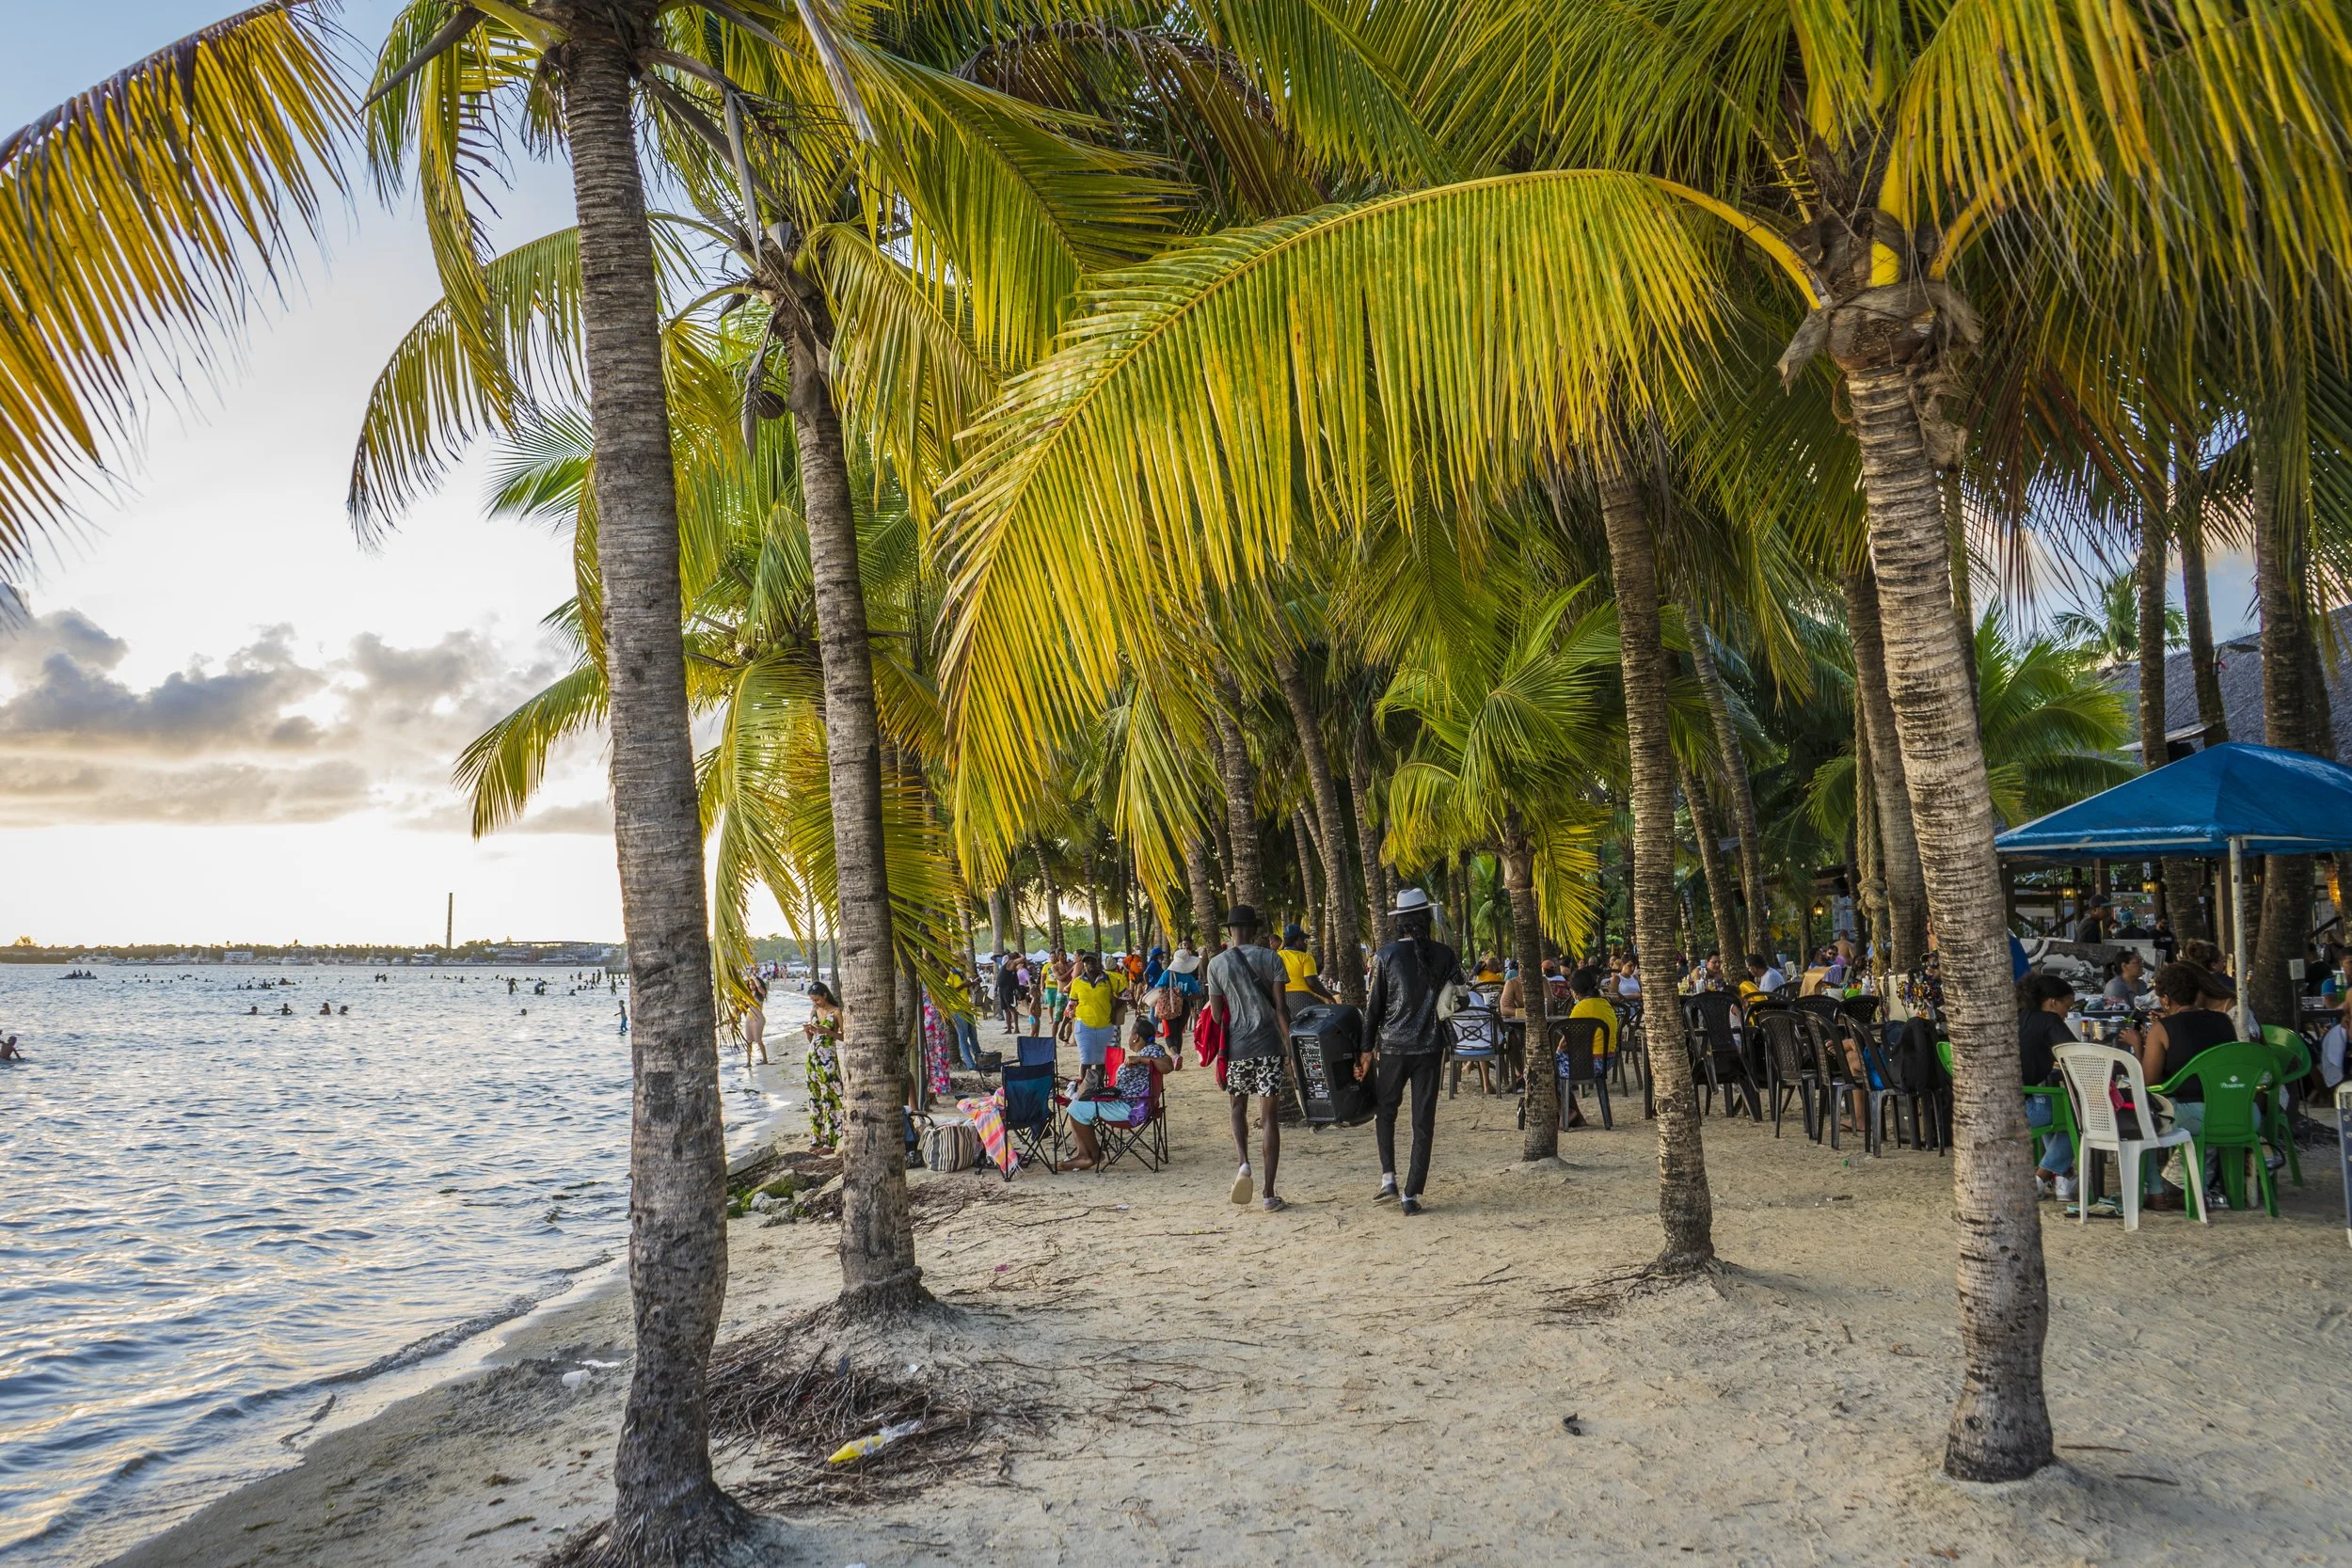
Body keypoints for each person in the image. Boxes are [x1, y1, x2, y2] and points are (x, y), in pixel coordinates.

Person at [1359, 888, 1463, 1213]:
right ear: (1426, 919)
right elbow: (1462, 997)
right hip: (1430, 1049)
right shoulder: (1445, 954)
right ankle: (1410, 1194)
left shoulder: (1385, 956)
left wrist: (1365, 1049)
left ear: (1400, 922)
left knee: (1385, 1112)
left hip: (1391, 1047)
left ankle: (1388, 1176)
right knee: (1423, 1122)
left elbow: (1374, 1008)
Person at [1205, 905, 1293, 1212]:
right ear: (1254, 930)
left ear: (1230, 931)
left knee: (1237, 1107)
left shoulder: (1216, 965)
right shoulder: (1272, 958)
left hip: (1238, 1050)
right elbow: (1281, 1010)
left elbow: (1216, 1015)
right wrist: (1291, 1050)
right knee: (1269, 1118)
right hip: (1269, 1047)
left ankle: (1244, 1163)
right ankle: (1269, 1194)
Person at [2016, 972, 2079, 1202]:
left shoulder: (2018, 1016)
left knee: (2060, 1109)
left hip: (2006, 1103)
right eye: (2067, 1006)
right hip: (2024, 1108)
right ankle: (2041, 1177)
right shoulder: (2049, 1021)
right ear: (2052, 1002)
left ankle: (2062, 1178)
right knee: (2082, 1115)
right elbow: (2077, 1056)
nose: (2067, 1014)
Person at [1063, 952, 1124, 1091]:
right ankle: (1085, 1088)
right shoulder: (1077, 982)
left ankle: (1098, 1087)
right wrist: (1063, 1027)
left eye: (1093, 961)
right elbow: (1071, 1005)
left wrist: (1116, 1009)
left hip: (1105, 1025)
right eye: (1087, 962)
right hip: (1083, 1025)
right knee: (1086, 1059)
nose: (1090, 964)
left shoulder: (1109, 979)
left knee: (1101, 1060)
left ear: (1099, 963)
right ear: (1083, 964)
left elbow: (1126, 994)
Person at [803, 982, 846, 1152]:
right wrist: (810, 1033)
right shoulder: (813, 1012)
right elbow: (813, 1040)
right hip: (812, 1058)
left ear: (825, 995)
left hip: (828, 1060)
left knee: (830, 1098)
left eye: (817, 999)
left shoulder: (836, 1012)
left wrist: (825, 1031)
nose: (815, 1003)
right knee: (814, 1098)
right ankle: (817, 1139)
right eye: (813, 1000)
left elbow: (845, 1036)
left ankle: (831, 1140)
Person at [1278, 923, 1334, 1004]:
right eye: (1304, 940)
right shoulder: (1305, 958)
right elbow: (1312, 983)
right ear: (1297, 940)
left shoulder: (1277, 955)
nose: (1306, 944)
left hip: (1281, 998)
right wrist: (1329, 996)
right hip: (1303, 998)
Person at [744, 978, 770, 1069]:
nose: (752, 986)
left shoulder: (761, 993)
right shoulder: (748, 994)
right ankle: (748, 1061)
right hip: (749, 1018)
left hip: (758, 1018)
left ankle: (765, 1059)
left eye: (753, 984)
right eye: (750, 985)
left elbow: (759, 986)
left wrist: (754, 978)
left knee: (758, 1040)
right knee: (749, 1040)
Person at [993, 958, 1023, 1036]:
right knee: (1006, 1010)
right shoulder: (1003, 968)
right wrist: (996, 989)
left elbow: (1016, 982)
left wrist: (1018, 991)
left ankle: (1016, 1028)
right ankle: (1009, 1028)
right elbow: (997, 980)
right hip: (1001, 990)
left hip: (1008, 990)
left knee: (1011, 1009)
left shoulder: (1010, 969)